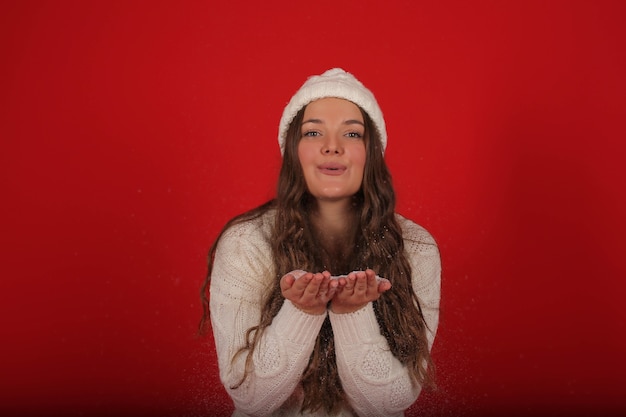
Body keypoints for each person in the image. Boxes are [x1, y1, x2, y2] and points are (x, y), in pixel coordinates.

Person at [199, 68, 441, 417]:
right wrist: (301, 313)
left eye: (352, 134)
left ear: (371, 153)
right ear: (293, 151)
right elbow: (251, 398)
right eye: (313, 132)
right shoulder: (246, 242)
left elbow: (390, 402)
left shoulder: (416, 248)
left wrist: (353, 315)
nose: (332, 146)